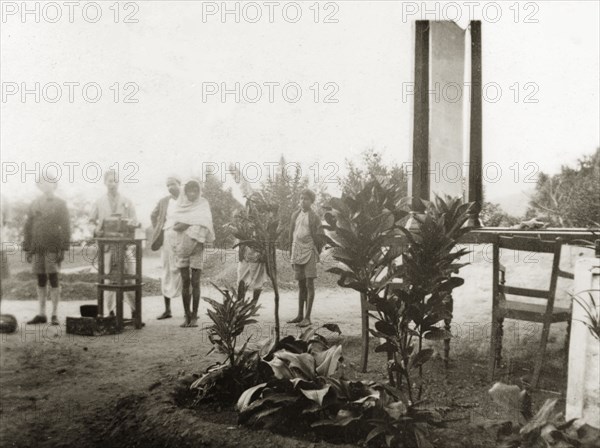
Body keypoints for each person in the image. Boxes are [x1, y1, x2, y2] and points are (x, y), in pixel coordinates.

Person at [23, 176, 71, 325]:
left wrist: (63, 248)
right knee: (40, 278)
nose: (45, 185)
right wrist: (27, 248)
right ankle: (42, 313)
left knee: (53, 277)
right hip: (37, 246)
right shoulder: (34, 203)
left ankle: (55, 314)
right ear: (39, 186)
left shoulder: (60, 203)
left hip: (53, 246)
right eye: (42, 183)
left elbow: (66, 227)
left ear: (54, 185)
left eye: (49, 182)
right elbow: (28, 227)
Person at [90, 169, 138, 317]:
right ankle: (110, 312)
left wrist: (129, 226)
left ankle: (134, 311)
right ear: (105, 182)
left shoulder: (127, 201)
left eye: (115, 181)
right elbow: (91, 221)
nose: (113, 184)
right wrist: (95, 230)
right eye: (110, 181)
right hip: (107, 247)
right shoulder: (99, 201)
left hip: (124, 248)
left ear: (119, 182)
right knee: (109, 278)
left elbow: (134, 220)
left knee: (129, 277)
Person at [169, 179, 215, 328]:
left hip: (197, 247)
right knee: (185, 282)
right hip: (182, 246)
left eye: (195, 190)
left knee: (195, 282)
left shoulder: (203, 204)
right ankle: (186, 315)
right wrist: (193, 222)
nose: (192, 194)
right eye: (190, 191)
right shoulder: (180, 205)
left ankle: (194, 316)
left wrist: (187, 223)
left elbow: (206, 222)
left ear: (199, 191)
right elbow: (175, 226)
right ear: (186, 191)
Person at [287, 189, 324, 328]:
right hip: (297, 251)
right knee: (301, 285)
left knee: (309, 284)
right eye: (301, 198)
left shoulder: (314, 217)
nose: (303, 201)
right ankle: (299, 315)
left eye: (306, 199)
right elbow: (291, 234)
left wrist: (317, 250)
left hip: (309, 251)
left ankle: (308, 317)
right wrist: (291, 251)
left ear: (311, 201)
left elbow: (321, 236)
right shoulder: (295, 215)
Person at [150, 176, 183, 320]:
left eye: (173, 184)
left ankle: (187, 311)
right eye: (168, 185)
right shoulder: (164, 201)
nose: (170, 187)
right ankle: (167, 310)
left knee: (183, 271)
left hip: (183, 238)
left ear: (179, 184)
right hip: (168, 238)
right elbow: (153, 215)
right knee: (167, 271)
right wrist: (158, 228)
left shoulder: (187, 200)